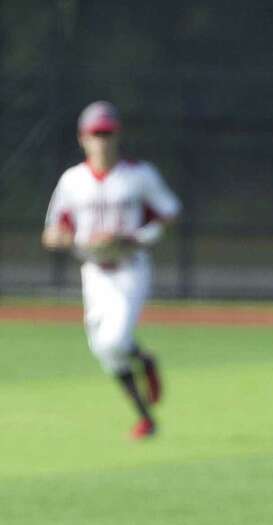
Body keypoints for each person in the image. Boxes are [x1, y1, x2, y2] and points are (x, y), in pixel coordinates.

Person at [41, 101, 181, 439]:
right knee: (103, 348)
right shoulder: (73, 180)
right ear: (82, 138)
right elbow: (51, 233)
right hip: (94, 270)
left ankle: (140, 360)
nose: (101, 140)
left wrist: (130, 237)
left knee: (115, 339)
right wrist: (73, 238)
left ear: (117, 135)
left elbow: (170, 212)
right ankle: (146, 413)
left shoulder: (138, 174)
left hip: (130, 267)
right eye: (95, 134)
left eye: (107, 133)